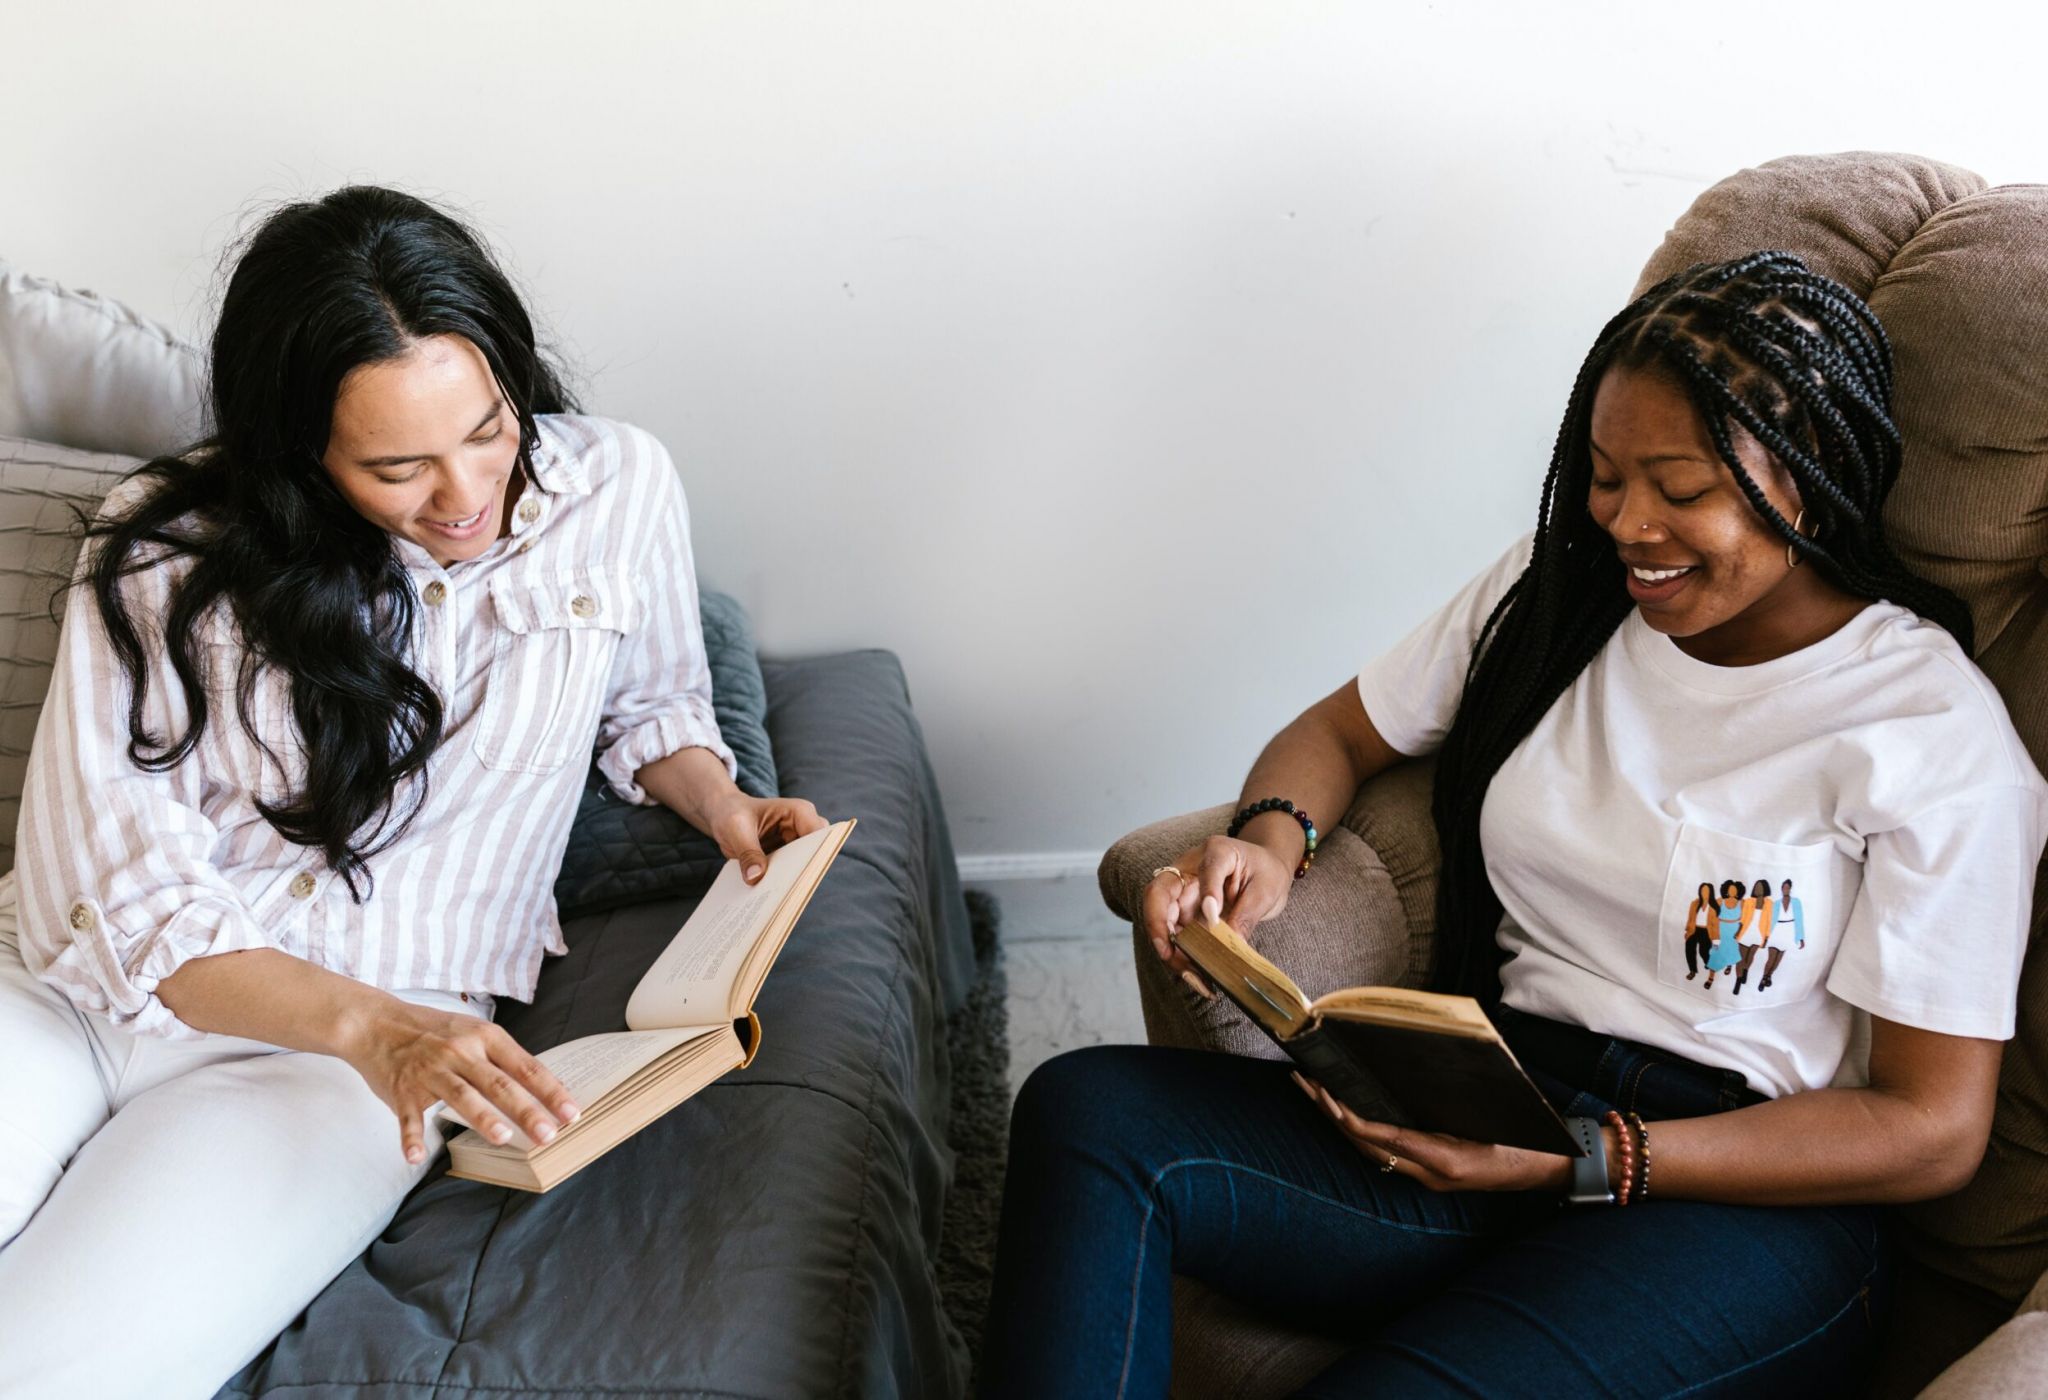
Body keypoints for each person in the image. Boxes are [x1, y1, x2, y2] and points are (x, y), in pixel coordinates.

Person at [979, 252, 2046, 1397]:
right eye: (1601, 475)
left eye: (1678, 486)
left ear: (1809, 471)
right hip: (1495, 1097)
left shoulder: (1925, 732)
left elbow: (1929, 1128)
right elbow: (1336, 735)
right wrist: (1267, 839)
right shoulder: (1561, 596)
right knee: (1088, 1112)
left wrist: (1592, 1160)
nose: (1628, 523)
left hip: (1741, 1199)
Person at [0, 187, 824, 1399]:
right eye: (397, 467)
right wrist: (375, 1028)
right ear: (302, 452)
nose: (462, 495)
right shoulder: (162, 544)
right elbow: (108, 889)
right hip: (75, 995)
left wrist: (720, 804)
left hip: (326, 1080)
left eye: (487, 429)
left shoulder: (619, 486)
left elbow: (652, 702)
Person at [1764, 877, 1808, 991]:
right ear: (1781, 889)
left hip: (1788, 931)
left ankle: (1769, 976)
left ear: (1790, 889)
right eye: (1783, 887)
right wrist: (1766, 935)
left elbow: (1799, 919)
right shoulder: (1776, 903)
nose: (1785, 889)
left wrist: (1801, 938)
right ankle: (1764, 977)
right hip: (1777, 929)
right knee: (1771, 957)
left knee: (1778, 958)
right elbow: (1770, 920)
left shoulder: (1796, 902)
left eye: (1787, 887)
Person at [1735, 875, 1776, 995]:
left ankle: (1746, 970)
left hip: (1759, 934)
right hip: (1746, 932)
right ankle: (1738, 981)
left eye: (1760, 887)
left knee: (1750, 956)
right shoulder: (1748, 902)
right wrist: (1738, 932)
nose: (1757, 889)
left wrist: (1767, 937)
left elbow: (1769, 922)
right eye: (1756, 887)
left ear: (1765, 889)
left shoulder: (1770, 904)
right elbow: (1743, 919)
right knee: (1740, 958)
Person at [1681, 880, 1715, 979]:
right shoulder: (1695, 903)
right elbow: (1690, 918)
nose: (1704, 893)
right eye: (1702, 891)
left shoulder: (1714, 906)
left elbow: (1716, 922)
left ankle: (1708, 962)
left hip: (1706, 931)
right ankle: (1692, 970)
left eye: (1707, 891)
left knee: (1704, 951)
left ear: (1710, 892)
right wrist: (1687, 930)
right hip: (1694, 929)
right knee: (1689, 950)